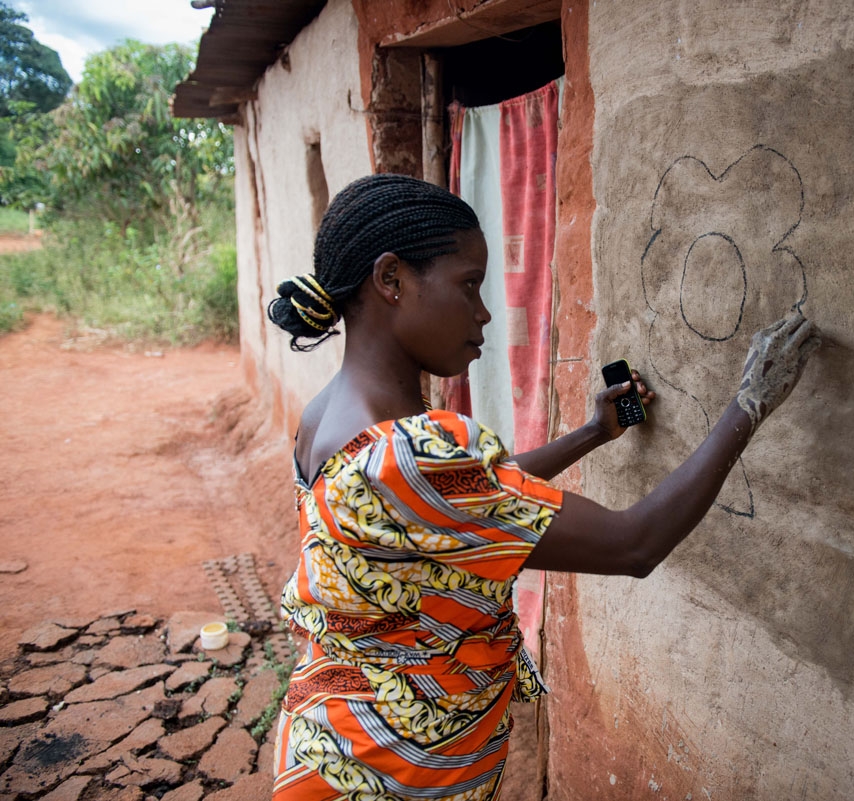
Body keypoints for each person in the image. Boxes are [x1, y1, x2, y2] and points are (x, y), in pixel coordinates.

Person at [266, 174, 820, 801]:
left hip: (336, 745)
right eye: (468, 285)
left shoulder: (329, 417)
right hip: (386, 773)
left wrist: (592, 433)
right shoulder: (410, 453)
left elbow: (459, 505)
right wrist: (749, 402)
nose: (484, 312)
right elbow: (632, 545)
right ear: (390, 280)